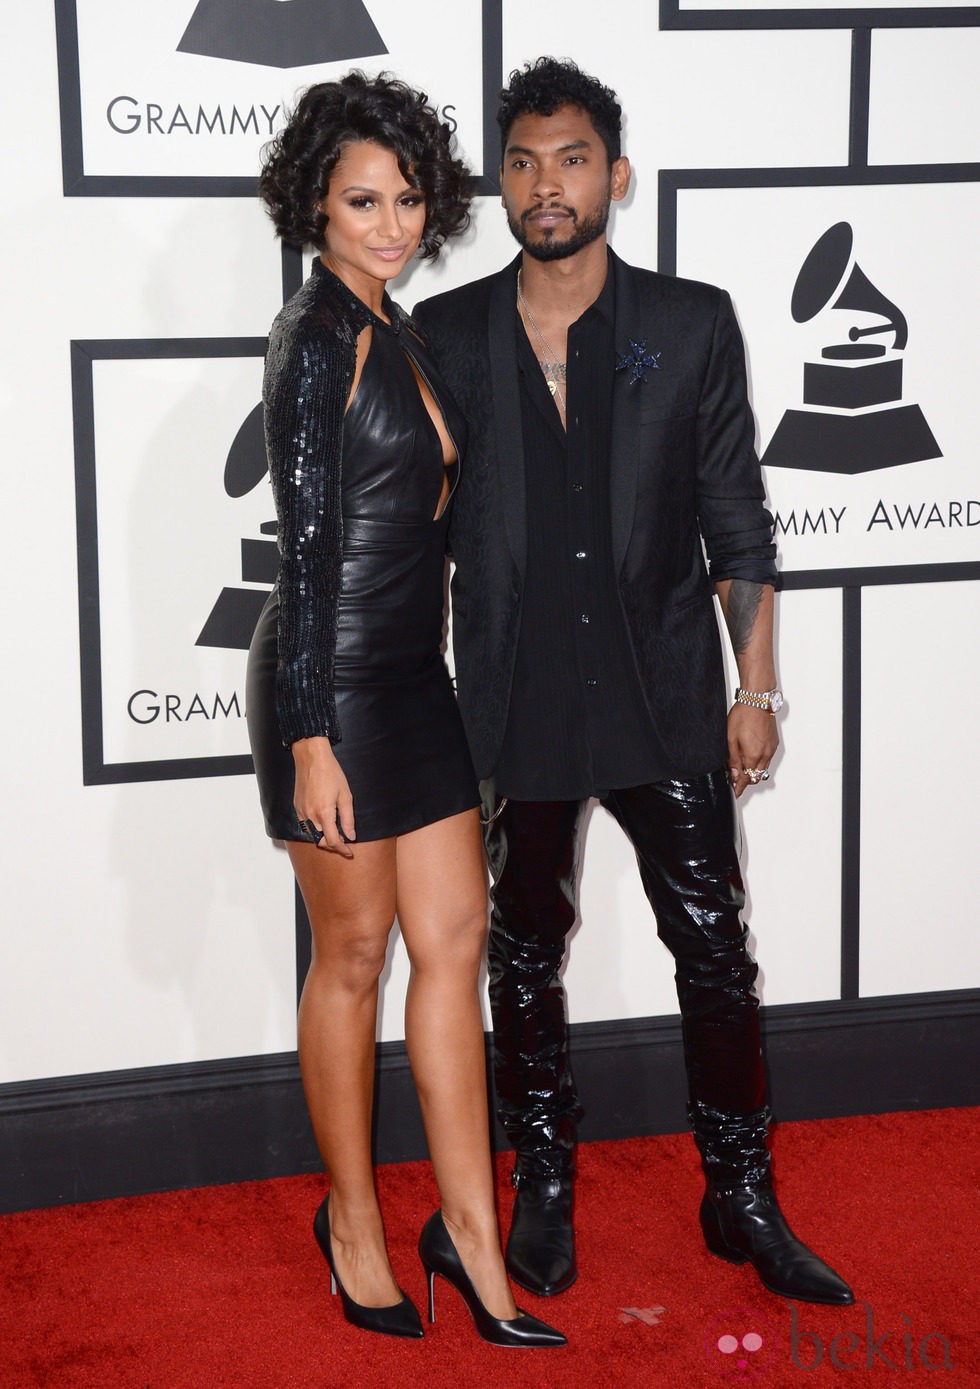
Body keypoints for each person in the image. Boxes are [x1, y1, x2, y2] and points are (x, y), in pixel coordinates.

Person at [413, 57, 853, 1307]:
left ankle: (740, 1197)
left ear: (616, 174)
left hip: (661, 692)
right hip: (511, 697)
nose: (543, 185)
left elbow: (737, 521)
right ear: (499, 183)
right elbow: (418, 528)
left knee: (712, 949)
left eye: (568, 159)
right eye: (520, 162)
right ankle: (541, 1185)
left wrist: (752, 689)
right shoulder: (443, 335)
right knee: (520, 953)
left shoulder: (689, 322)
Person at [245, 72, 563, 1349]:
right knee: (357, 954)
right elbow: (309, 550)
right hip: (325, 684)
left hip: (414, 683)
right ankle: (356, 1225)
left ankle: (473, 1235)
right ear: (313, 206)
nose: (387, 222)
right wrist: (311, 732)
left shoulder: (411, 329)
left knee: (457, 939)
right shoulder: (313, 335)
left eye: (405, 197)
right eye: (359, 200)